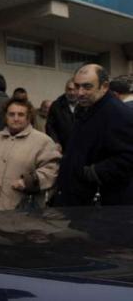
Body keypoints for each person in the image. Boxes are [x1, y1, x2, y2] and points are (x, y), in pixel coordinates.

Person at [54, 64, 133, 207]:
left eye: (87, 87)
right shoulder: (86, 109)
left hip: (102, 204)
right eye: (77, 86)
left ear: (104, 86)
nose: (80, 92)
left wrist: (92, 173)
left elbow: (127, 157)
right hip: (79, 200)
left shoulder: (118, 114)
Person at [0, 98, 61, 212]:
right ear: (6, 117)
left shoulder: (43, 141)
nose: (16, 118)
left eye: (21, 114)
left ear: (28, 117)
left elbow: (52, 169)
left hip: (22, 208)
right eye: (11, 114)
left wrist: (29, 182)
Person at [45, 79, 79, 152]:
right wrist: (55, 142)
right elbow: (50, 126)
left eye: (75, 89)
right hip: (62, 149)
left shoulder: (85, 105)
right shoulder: (56, 106)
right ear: (65, 90)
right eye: (69, 89)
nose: (72, 93)